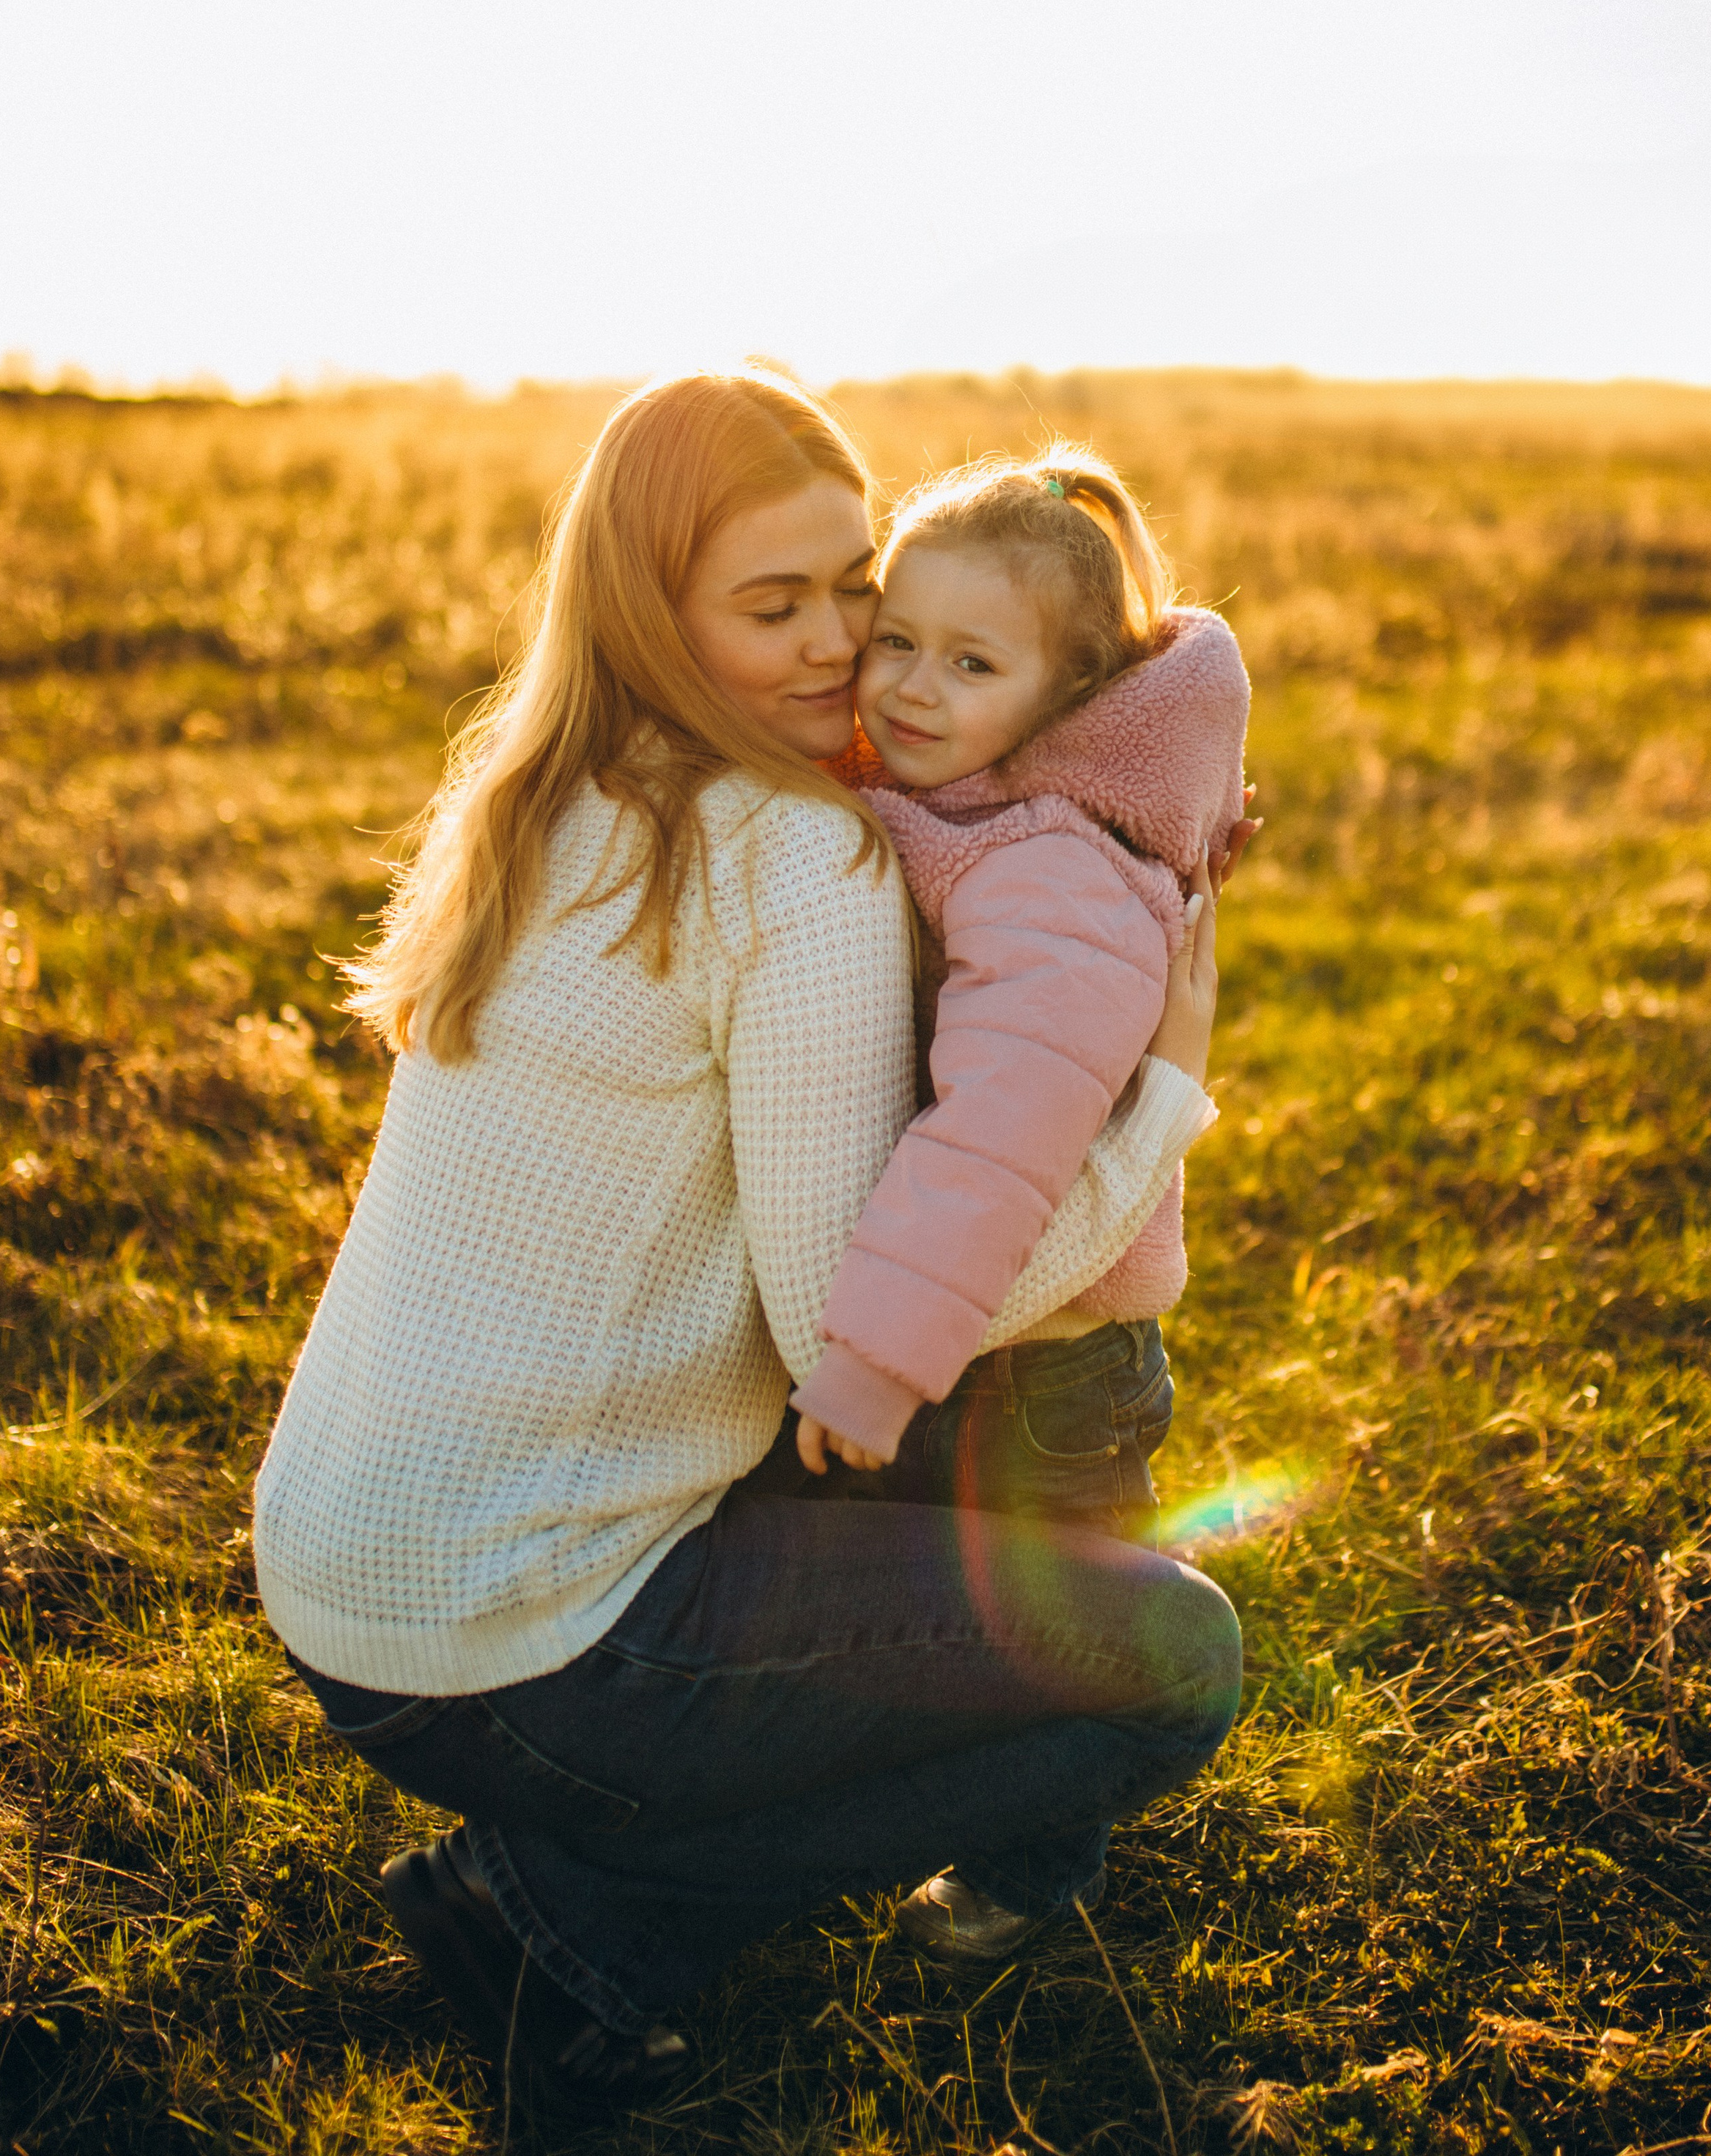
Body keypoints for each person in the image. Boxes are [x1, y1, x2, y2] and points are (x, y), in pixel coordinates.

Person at [251, 371, 1246, 2127]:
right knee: (1173, 1663)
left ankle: (585, 1864)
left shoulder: (557, 789)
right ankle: (570, 1921)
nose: (836, 646)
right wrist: (1161, 1092)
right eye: (769, 605)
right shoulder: (794, 859)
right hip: (534, 1639)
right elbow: (843, 1314)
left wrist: (1103, 804)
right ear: (655, 610)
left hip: (344, 1582)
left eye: (851, 587)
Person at [791, 446, 1249, 1552]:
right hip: (976, 1332)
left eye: (973, 663)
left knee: (1066, 1629)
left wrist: (876, 1363)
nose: (913, 687)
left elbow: (1001, 1131)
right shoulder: (964, 802)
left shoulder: (1050, 871)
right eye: (896, 641)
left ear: (1068, 697)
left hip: (1045, 1377)